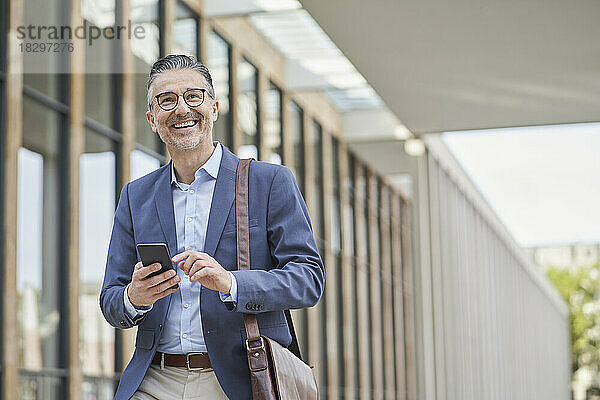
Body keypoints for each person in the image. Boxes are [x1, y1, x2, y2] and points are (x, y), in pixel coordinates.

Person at [100, 54, 324, 400]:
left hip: (237, 380)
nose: (181, 109)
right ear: (152, 120)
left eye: (194, 96)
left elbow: (308, 280)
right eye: (167, 100)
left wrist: (231, 282)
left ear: (214, 107)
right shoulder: (135, 196)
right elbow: (110, 299)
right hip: (154, 380)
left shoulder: (269, 182)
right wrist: (134, 297)